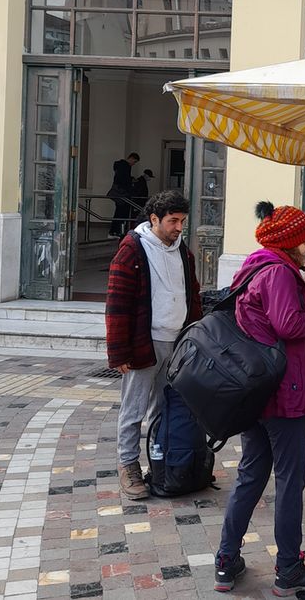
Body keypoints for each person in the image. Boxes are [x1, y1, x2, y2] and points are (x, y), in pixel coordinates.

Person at [214, 206, 305, 596]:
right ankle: (289, 570)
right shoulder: (280, 272)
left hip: (256, 391)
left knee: (251, 476)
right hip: (284, 393)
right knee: (288, 482)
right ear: (291, 241)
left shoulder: (255, 266)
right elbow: (289, 325)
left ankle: (226, 561)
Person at [105, 190, 202, 500]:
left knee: (165, 408)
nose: (178, 227)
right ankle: (127, 465)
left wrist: (194, 336)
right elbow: (117, 303)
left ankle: (159, 464)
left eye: (182, 221)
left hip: (176, 343)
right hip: (143, 344)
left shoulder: (183, 252)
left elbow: (193, 295)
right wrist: (119, 351)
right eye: (173, 221)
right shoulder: (132, 249)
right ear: (154, 219)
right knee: (133, 408)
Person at [108, 152, 140, 238]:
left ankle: (115, 231)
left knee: (119, 212)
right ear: (132, 158)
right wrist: (131, 181)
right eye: (135, 161)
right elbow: (124, 180)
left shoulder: (119, 165)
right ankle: (117, 231)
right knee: (122, 213)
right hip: (123, 193)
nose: (134, 164)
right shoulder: (126, 166)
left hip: (119, 193)